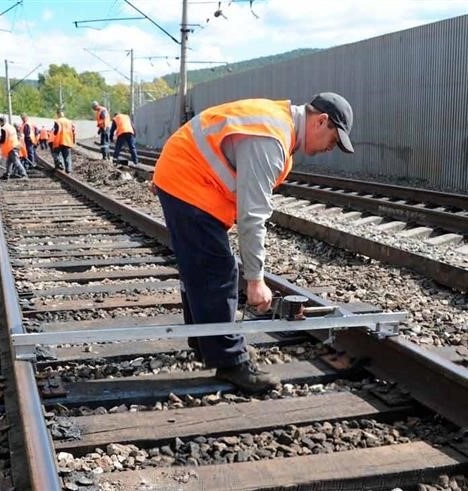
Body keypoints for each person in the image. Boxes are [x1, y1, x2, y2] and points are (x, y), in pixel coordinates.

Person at [152, 92, 354, 393]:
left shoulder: (277, 126)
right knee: (219, 271)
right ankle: (231, 361)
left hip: (183, 176)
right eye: (333, 139)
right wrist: (255, 279)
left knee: (200, 267)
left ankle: (206, 341)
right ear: (321, 121)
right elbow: (252, 216)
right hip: (188, 182)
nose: (331, 148)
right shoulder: (270, 139)